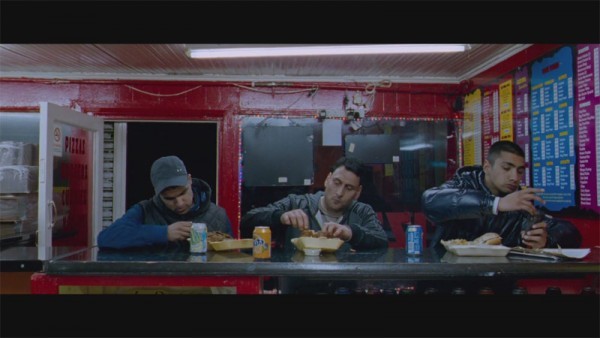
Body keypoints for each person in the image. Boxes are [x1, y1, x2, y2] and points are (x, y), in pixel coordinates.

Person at [422, 140, 581, 249]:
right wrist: (496, 204)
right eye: (506, 168)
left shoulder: (518, 202)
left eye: (519, 171)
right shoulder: (464, 183)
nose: (514, 177)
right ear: (487, 167)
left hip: (498, 282)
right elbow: (430, 201)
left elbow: (569, 232)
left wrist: (546, 241)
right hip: (449, 279)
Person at [240, 156, 389, 251]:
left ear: (357, 192)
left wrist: (350, 233)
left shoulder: (362, 211)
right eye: (337, 183)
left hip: (343, 283)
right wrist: (280, 216)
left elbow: (381, 240)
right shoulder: (297, 202)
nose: (339, 193)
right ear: (327, 179)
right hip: (297, 283)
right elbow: (248, 219)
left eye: (349, 188)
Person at [97, 155, 232, 249]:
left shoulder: (218, 215)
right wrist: (163, 233)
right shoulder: (145, 210)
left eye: (182, 193)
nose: (179, 203)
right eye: (169, 199)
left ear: (190, 180)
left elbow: (231, 258)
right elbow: (106, 238)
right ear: (157, 192)